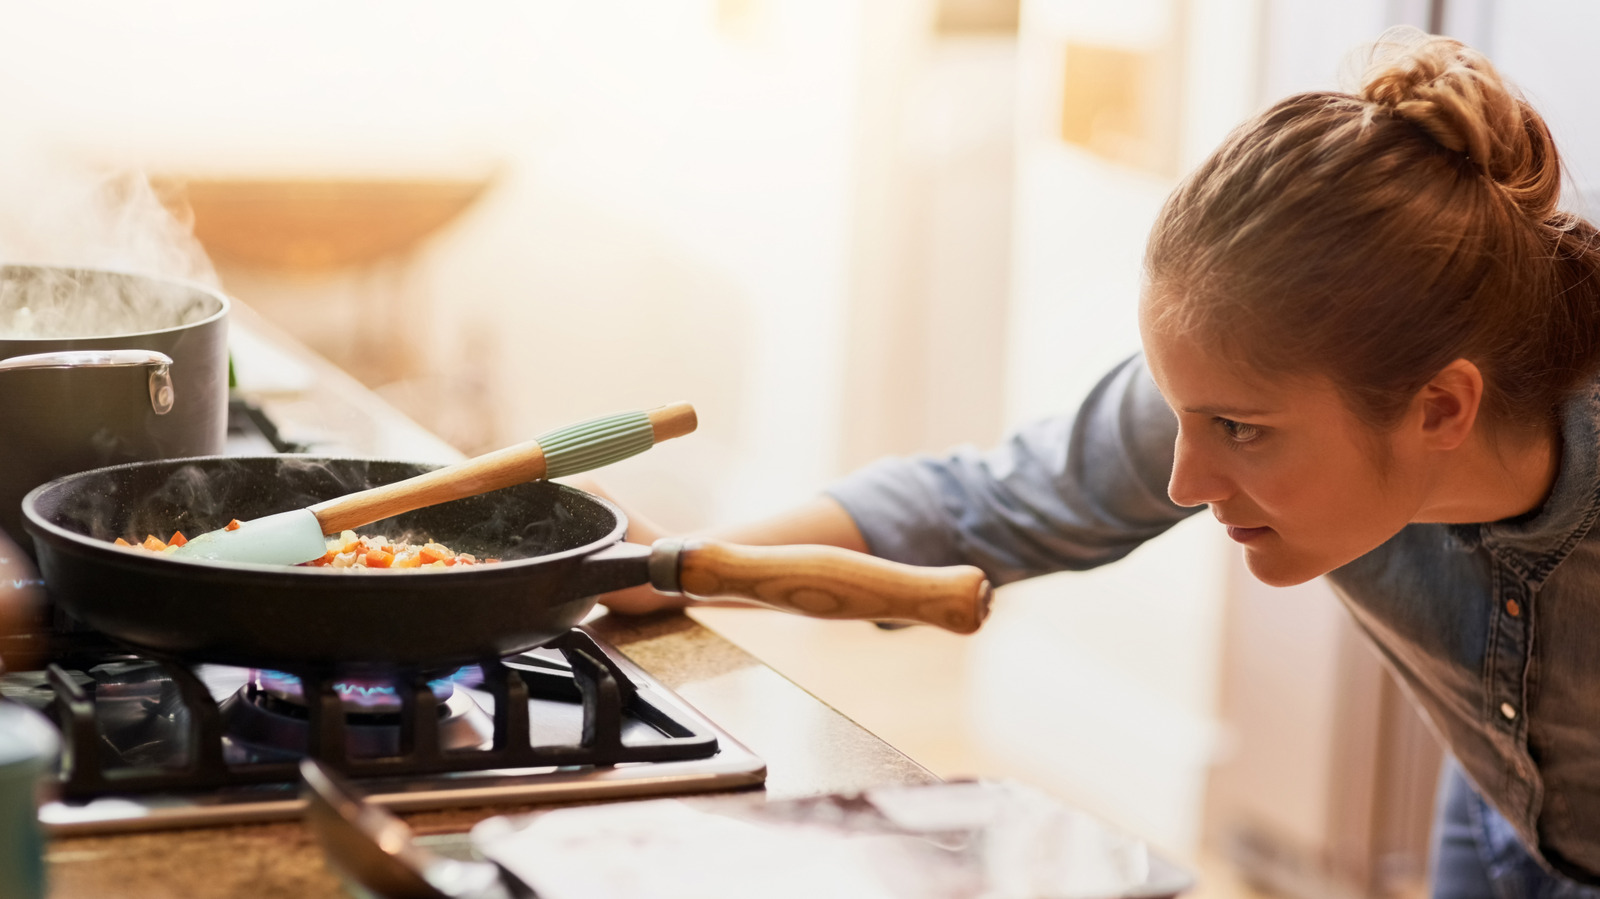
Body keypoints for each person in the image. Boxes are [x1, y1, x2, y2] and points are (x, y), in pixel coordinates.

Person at [582, 27, 1600, 898]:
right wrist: (674, 561)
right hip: (1497, 819)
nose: (1184, 481)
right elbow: (982, 503)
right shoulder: (1258, 381)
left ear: (1440, 407)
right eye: (1182, 415)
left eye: (1239, 431)